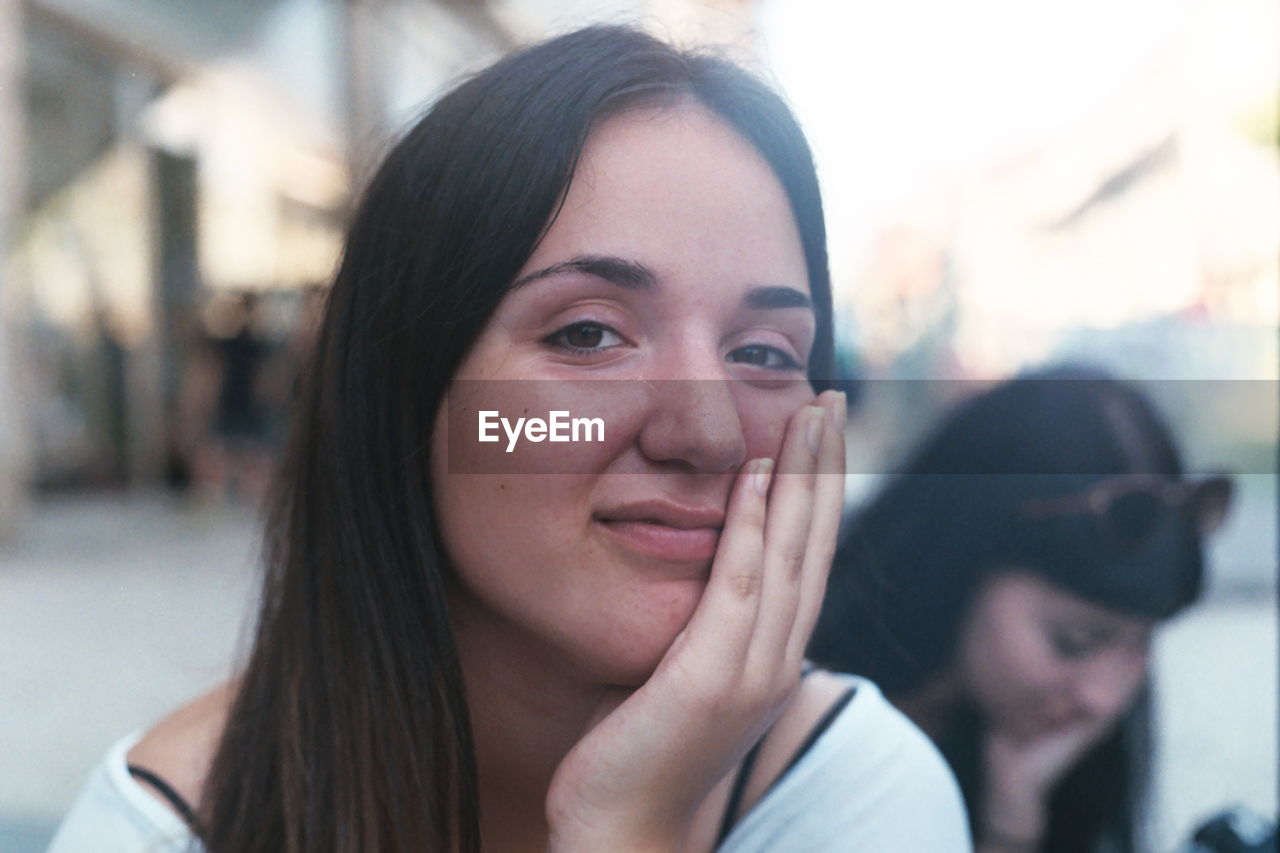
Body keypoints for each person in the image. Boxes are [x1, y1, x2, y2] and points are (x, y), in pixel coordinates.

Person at [48, 25, 969, 853]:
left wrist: (626, 827)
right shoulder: (157, 831)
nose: (710, 431)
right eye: (587, 334)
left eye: (765, 351)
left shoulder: (857, 795)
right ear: (404, 390)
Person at [808, 366, 1234, 853]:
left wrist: (1010, 826)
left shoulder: (1030, 759)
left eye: (1139, 646)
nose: (1103, 700)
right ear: (957, 561)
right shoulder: (788, 728)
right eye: (1073, 642)